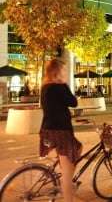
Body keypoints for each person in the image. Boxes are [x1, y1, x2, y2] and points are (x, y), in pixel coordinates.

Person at [39, 58, 81, 202]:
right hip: (61, 132)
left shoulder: (45, 86)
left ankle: (66, 177)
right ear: (57, 72)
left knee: (78, 147)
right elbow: (73, 102)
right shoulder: (59, 86)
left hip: (47, 130)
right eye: (64, 70)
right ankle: (66, 183)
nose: (66, 72)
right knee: (67, 177)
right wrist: (66, 85)